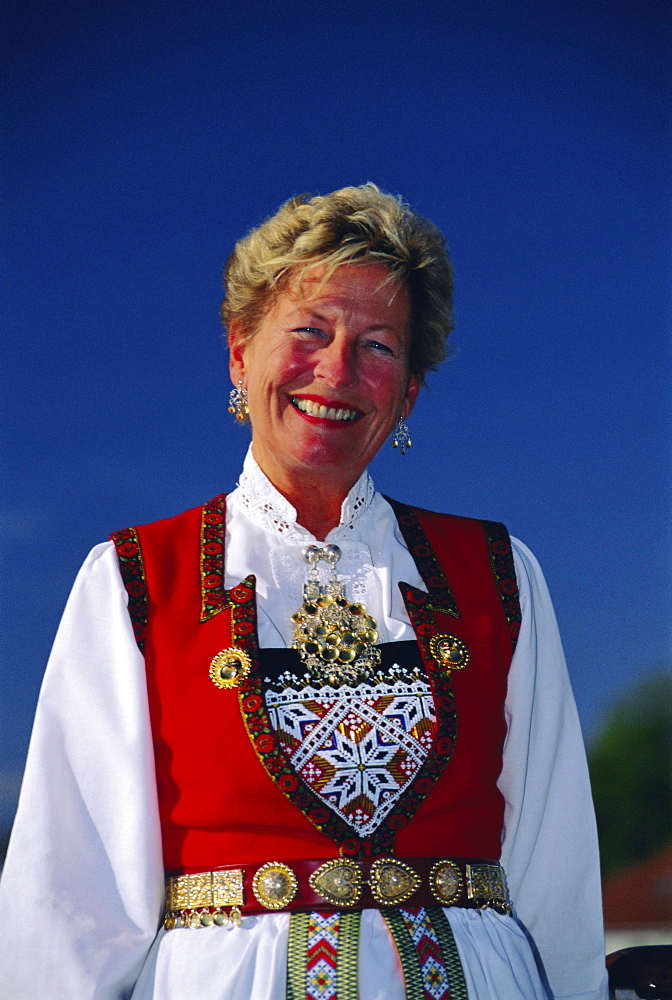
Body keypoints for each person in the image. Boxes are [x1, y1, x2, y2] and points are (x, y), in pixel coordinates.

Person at [0, 184, 608, 1000]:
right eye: (309, 333)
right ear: (239, 353)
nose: (337, 371)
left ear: (409, 394)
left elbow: (554, 866)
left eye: (379, 346)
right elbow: (72, 902)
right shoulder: (136, 579)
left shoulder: (498, 574)